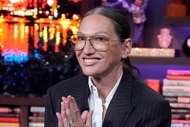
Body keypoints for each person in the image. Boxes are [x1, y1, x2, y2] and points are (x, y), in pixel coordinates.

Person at [44, 6, 171, 127]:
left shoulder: (151, 106)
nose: (86, 50)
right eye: (81, 38)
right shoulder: (58, 94)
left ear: (126, 48)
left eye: (100, 39)